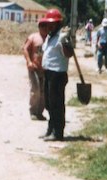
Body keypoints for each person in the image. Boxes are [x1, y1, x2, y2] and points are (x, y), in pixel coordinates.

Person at [38, 9, 74, 141]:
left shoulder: (62, 36)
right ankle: (50, 129)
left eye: (52, 24)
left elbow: (69, 54)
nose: (49, 26)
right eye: (48, 24)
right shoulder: (49, 36)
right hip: (48, 73)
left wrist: (65, 42)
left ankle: (58, 132)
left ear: (58, 24)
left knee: (56, 104)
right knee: (48, 104)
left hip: (57, 74)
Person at [22, 30, 47, 121]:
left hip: (45, 69)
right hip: (34, 68)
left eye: (45, 26)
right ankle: (33, 112)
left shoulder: (49, 38)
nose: (44, 28)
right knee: (35, 90)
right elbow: (25, 49)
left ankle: (39, 112)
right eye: (42, 26)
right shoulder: (33, 37)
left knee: (43, 92)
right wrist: (29, 61)